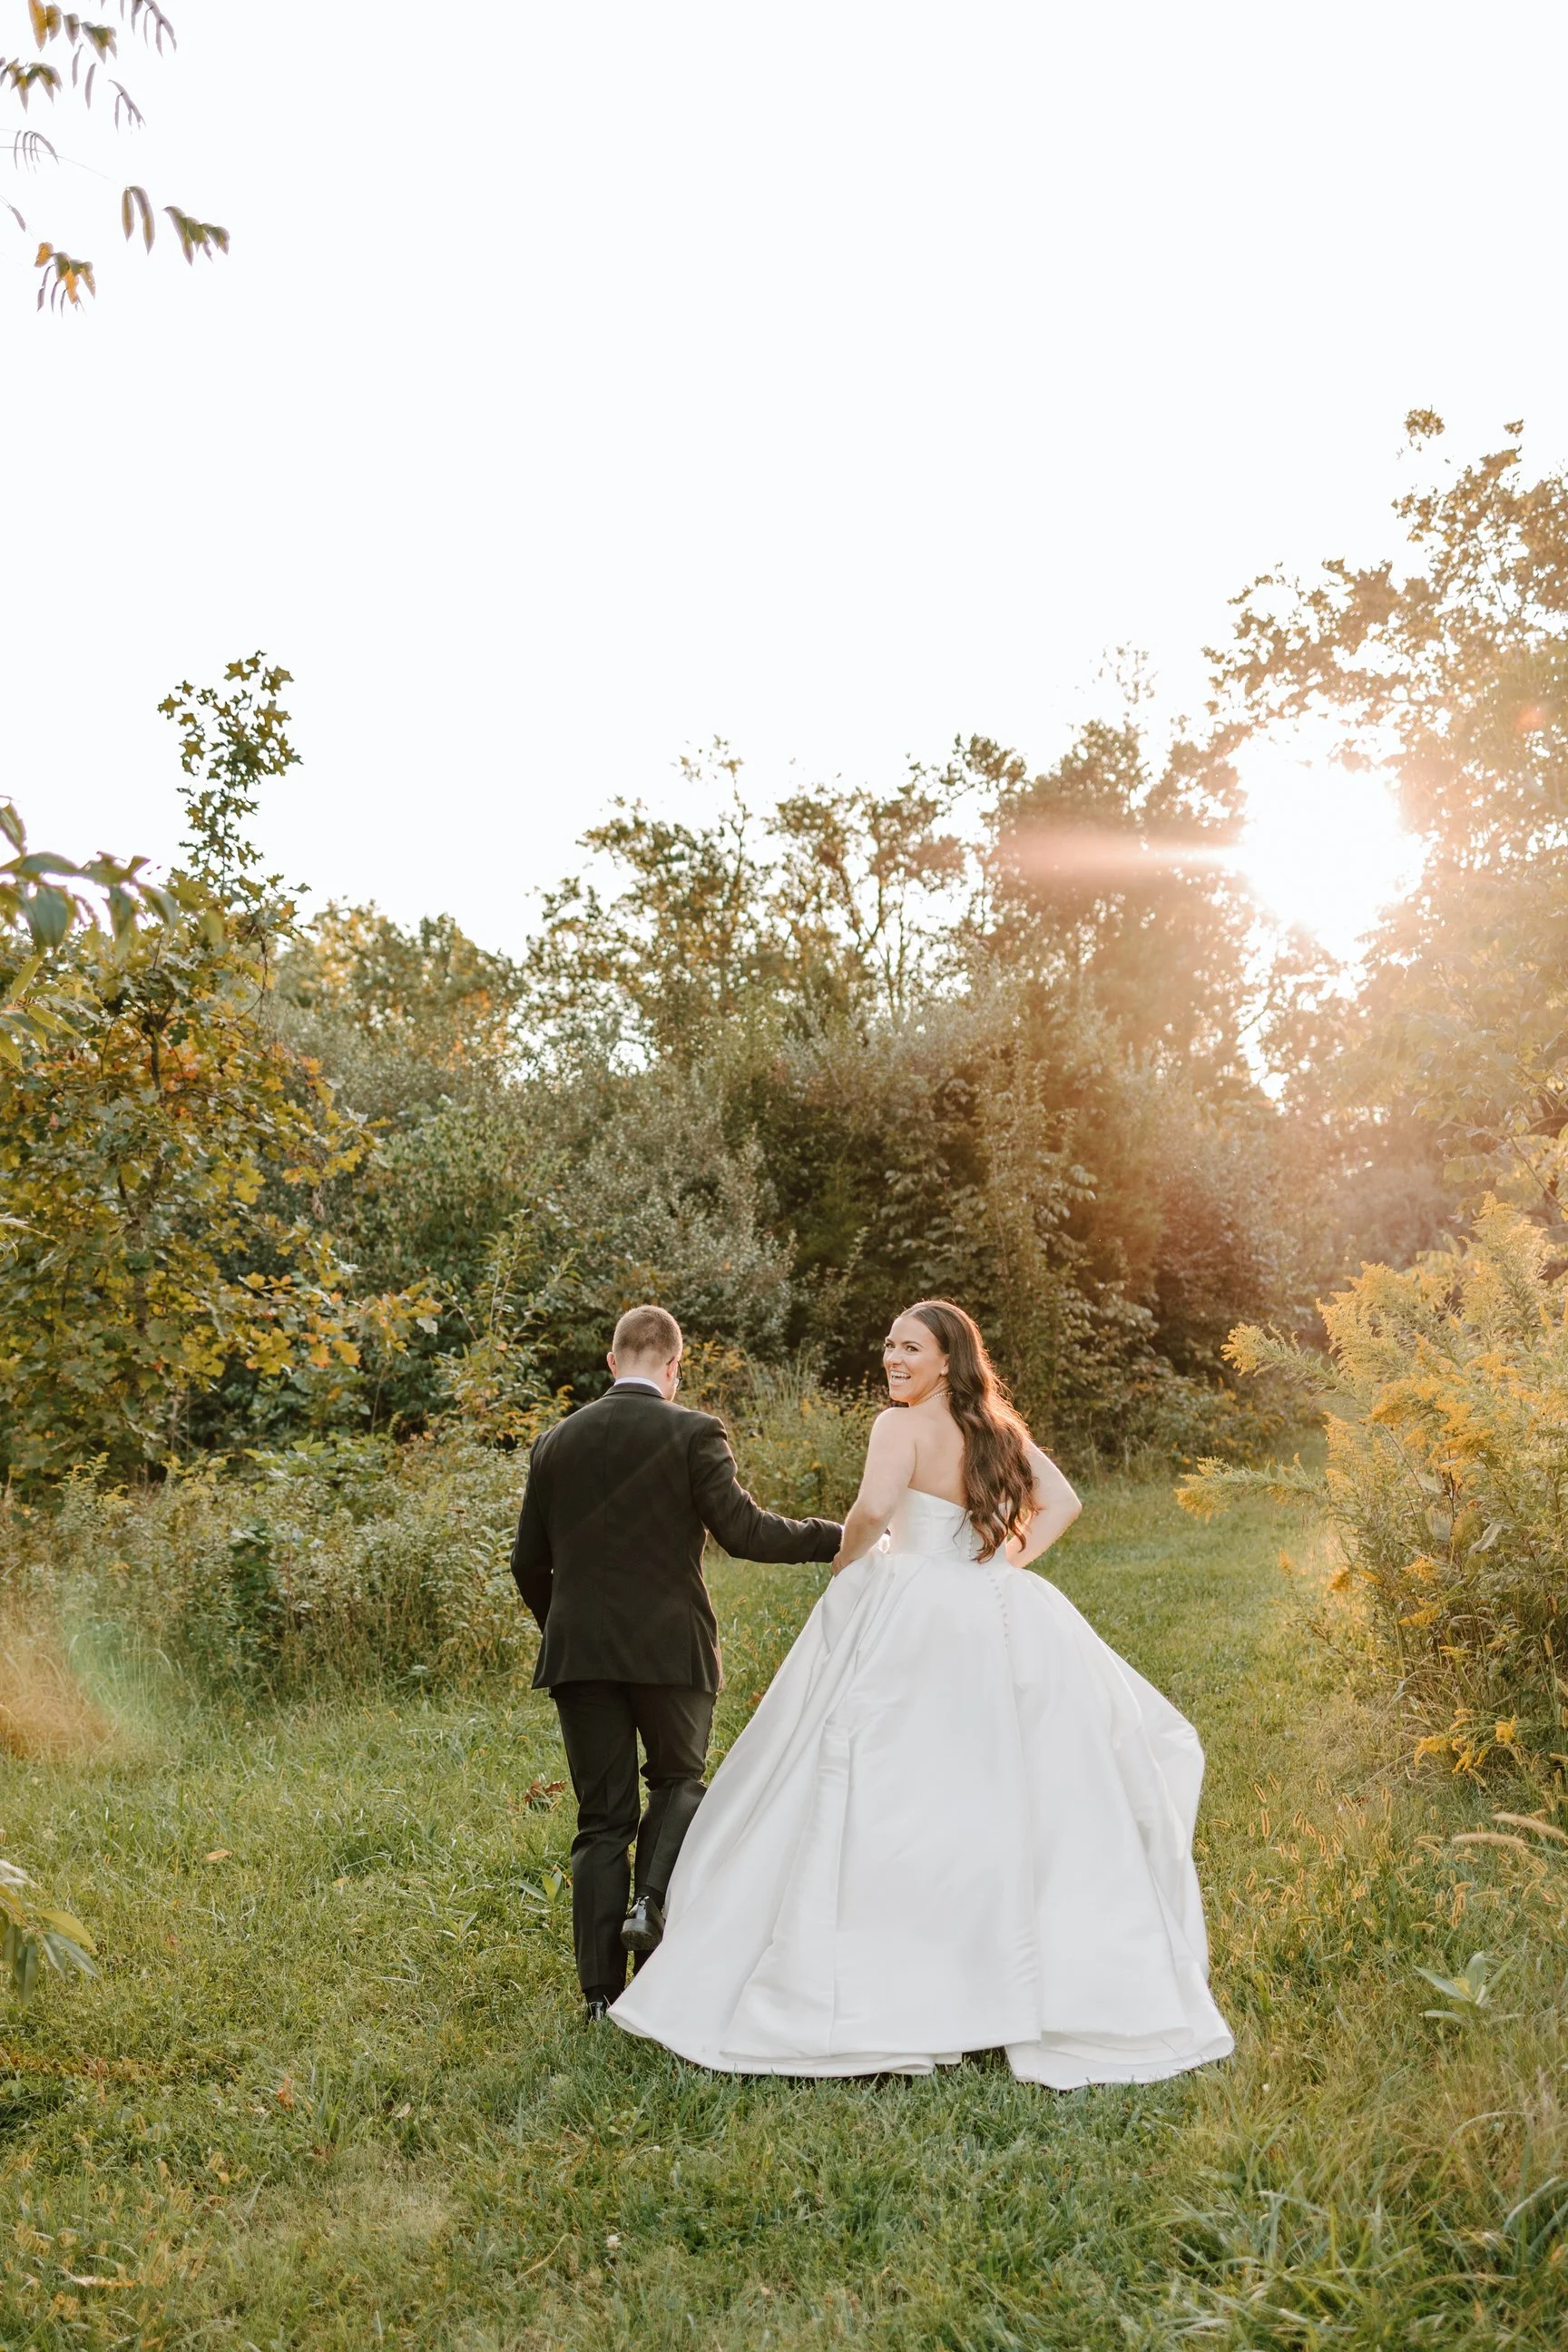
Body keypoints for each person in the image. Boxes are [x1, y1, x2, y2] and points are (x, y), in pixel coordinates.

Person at [612, 1298, 1234, 2086]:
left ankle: (892, 1975)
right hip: (990, 1606)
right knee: (995, 1784)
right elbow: (1063, 1501)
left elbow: (873, 1510)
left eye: (910, 1347)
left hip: (910, 1606)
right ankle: (996, 1980)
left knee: (890, 1785)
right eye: (888, 1345)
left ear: (948, 1358)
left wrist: (847, 1572)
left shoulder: (896, 1427)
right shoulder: (996, 1430)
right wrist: (1006, 1564)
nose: (893, 1358)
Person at [510, 1304, 843, 2022]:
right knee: (679, 1780)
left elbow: (527, 1562)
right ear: (674, 1366)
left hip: (580, 1655)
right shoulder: (693, 1431)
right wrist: (838, 1538)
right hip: (672, 1648)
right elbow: (746, 1532)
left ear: (611, 1360)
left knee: (602, 1820)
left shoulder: (554, 1443)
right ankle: (650, 1905)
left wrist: (565, 1626)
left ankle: (600, 1996)